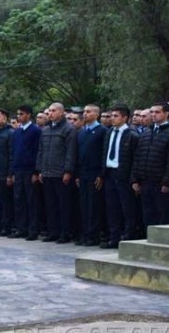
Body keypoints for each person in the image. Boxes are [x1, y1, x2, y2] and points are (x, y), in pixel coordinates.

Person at [36, 103, 77, 243]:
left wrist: (68, 171)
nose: (50, 114)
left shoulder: (68, 129)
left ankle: (65, 233)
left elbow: (71, 152)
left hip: (60, 173)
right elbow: (41, 151)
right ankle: (53, 232)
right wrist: (40, 169)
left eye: (54, 111)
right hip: (47, 172)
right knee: (50, 204)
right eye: (49, 111)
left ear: (62, 113)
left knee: (63, 205)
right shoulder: (46, 130)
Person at [131, 102, 169, 229]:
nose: (153, 115)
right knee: (148, 214)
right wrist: (134, 179)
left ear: (166, 114)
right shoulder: (146, 132)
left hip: (160, 182)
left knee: (162, 214)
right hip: (145, 181)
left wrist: (167, 182)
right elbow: (138, 157)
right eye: (152, 112)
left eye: (157, 112)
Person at [101, 105, 139, 249]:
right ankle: (114, 236)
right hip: (110, 173)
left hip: (123, 175)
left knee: (127, 208)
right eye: (112, 115)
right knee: (112, 207)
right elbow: (105, 152)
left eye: (116, 116)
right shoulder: (109, 132)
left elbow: (135, 159)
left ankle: (128, 236)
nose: (112, 118)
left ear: (125, 118)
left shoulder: (131, 134)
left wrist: (133, 178)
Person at [75, 104, 107, 246]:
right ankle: (85, 233)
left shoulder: (102, 131)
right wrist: (77, 174)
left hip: (95, 172)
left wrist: (101, 174)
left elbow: (103, 154)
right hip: (83, 173)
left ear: (97, 114)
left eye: (88, 112)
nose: (85, 114)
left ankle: (94, 235)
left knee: (94, 205)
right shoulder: (81, 132)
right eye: (84, 111)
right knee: (84, 204)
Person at [10, 105, 42, 240]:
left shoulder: (35, 131)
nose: (19, 116)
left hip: (29, 170)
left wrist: (36, 171)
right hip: (18, 170)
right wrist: (12, 171)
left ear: (28, 115)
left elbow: (37, 151)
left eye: (21, 114)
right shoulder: (16, 132)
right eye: (17, 114)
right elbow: (13, 152)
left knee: (31, 200)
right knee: (19, 200)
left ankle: (33, 230)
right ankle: (21, 228)